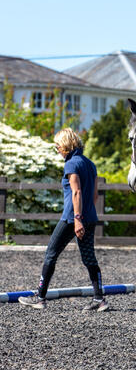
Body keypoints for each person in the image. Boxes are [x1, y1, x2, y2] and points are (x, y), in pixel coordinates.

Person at [18, 128, 109, 312]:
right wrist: (86, 215)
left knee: (51, 254)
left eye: (58, 146)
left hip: (71, 218)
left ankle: (40, 298)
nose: (57, 150)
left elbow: (77, 192)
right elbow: (95, 195)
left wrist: (77, 219)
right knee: (89, 258)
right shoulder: (90, 164)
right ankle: (99, 299)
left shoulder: (71, 164)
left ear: (66, 146)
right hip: (90, 217)